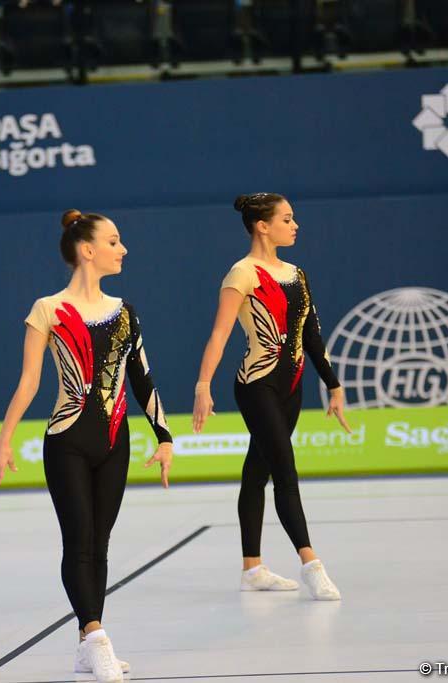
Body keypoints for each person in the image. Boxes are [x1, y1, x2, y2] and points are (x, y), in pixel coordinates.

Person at [0, 209, 173, 683]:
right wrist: (5, 439)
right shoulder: (48, 309)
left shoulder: (125, 311)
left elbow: (142, 378)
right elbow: (29, 382)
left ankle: (85, 646)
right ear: (87, 250)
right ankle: (97, 637)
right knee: (78, 540)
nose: (123, 249)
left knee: (100, 543)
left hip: (115, 441)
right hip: (68, 440)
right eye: (114, 242)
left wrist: (164, 436)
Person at [192, 193, 350, 601]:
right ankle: (311, 564)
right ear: (263, 226)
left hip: (291, 387)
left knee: (256, 471)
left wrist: (333, 384)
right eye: (287, 219)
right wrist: (203, 385)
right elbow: (219, 334)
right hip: (257, 384)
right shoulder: (242, 274)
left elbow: (311, 336)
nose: (295, 226)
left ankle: (252, 569)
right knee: (284, 468)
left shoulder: (297, 274)